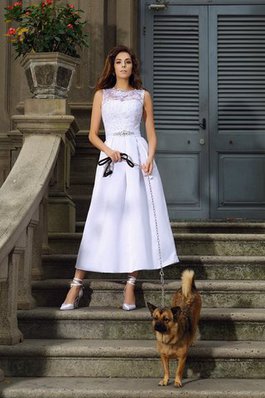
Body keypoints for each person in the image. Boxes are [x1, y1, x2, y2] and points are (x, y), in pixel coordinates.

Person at [60, 45, 179, 311]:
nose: (123, 65)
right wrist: (108, 150)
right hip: (111, 159)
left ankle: (130, 284)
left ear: (133, 66)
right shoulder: (101, 95)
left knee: (136, 219)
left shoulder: (143, 96)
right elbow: (92, 134)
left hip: (137, 160)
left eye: (127, 62)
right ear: (112, 67)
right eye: (118, 62)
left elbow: (151, 133)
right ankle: (76, 285)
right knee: (99, 217)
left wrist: (149, 157)